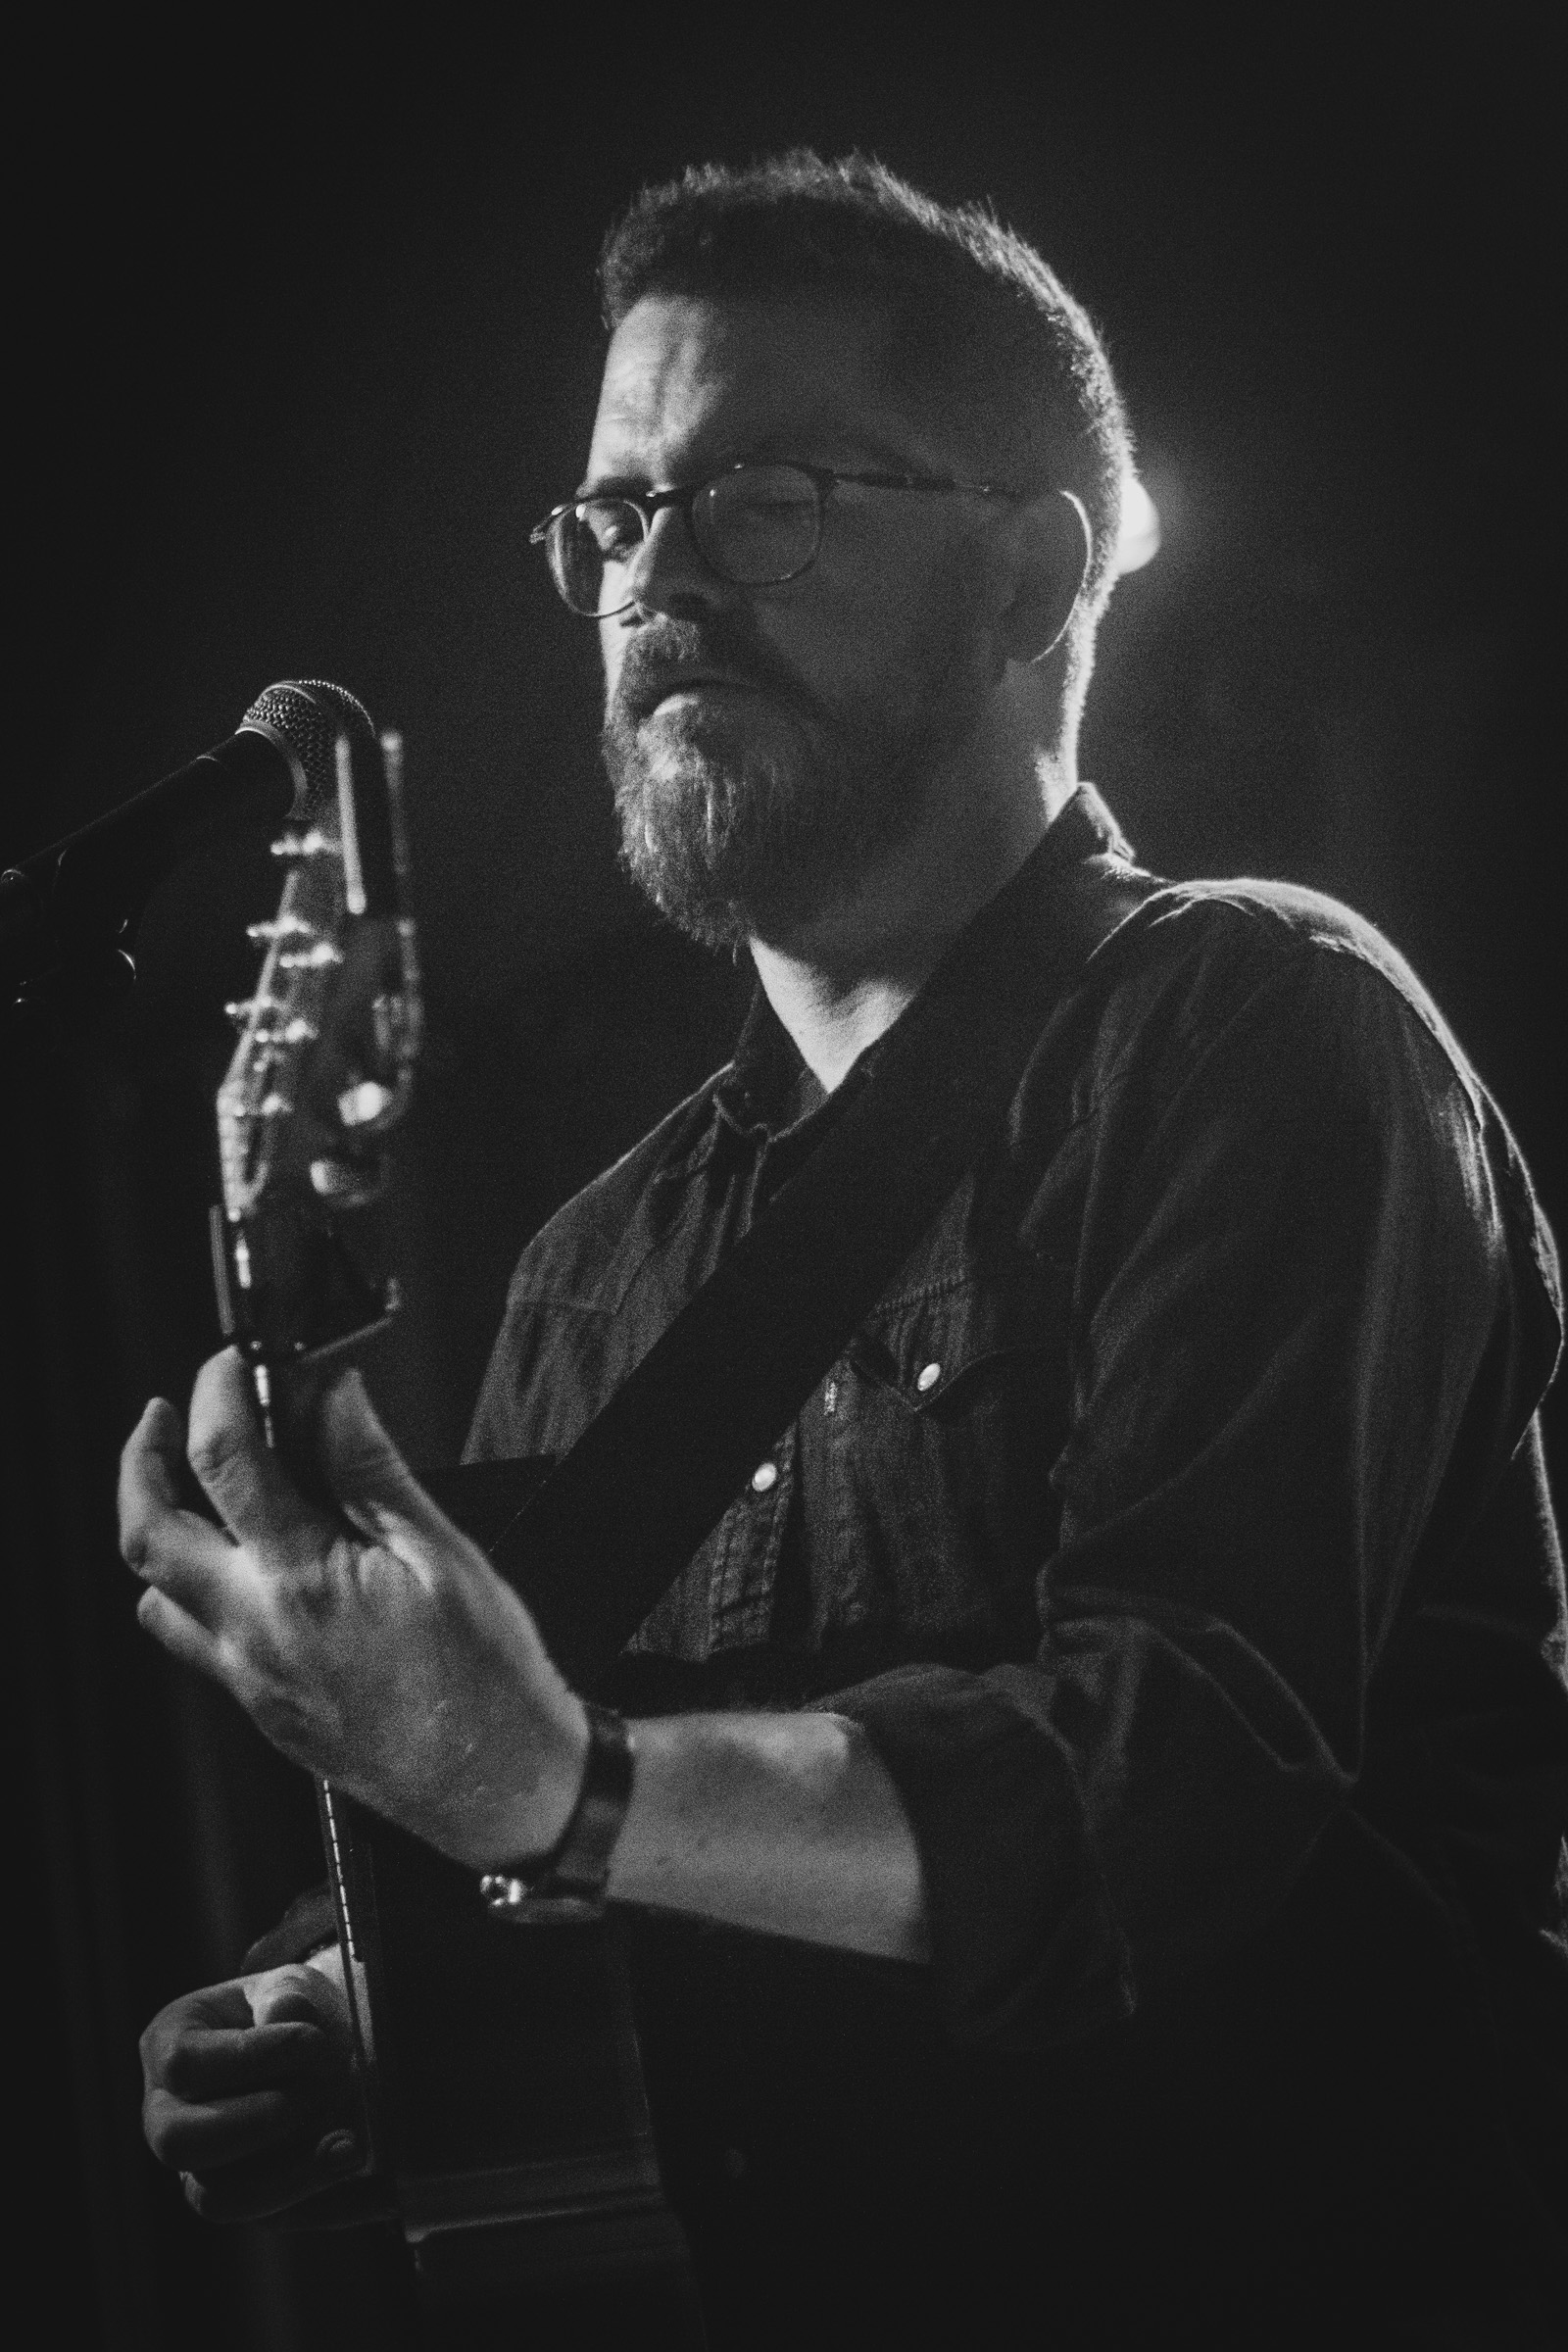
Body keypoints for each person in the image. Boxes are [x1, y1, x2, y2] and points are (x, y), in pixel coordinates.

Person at [122, 154, 1566, 2344]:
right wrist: (337, 2015)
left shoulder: (1260, 1021)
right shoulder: (590, 1274)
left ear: (1026, 578)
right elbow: (583, 1905)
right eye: (609, 523)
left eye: (760, 496)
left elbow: (1172, 1783)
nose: (655, 588)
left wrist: (563, 1787)